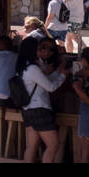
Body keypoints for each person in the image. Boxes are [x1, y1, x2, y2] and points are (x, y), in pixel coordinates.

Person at [20, 35, 68, 163]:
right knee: (53, 145)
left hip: (27, 109)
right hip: (40, 108)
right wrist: (62, 76)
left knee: (31, 147)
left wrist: (57, 73)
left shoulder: (23, 67)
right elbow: (51, 87)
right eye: (38, 48)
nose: (40, 51)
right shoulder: (33, 68)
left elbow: (43, 81)